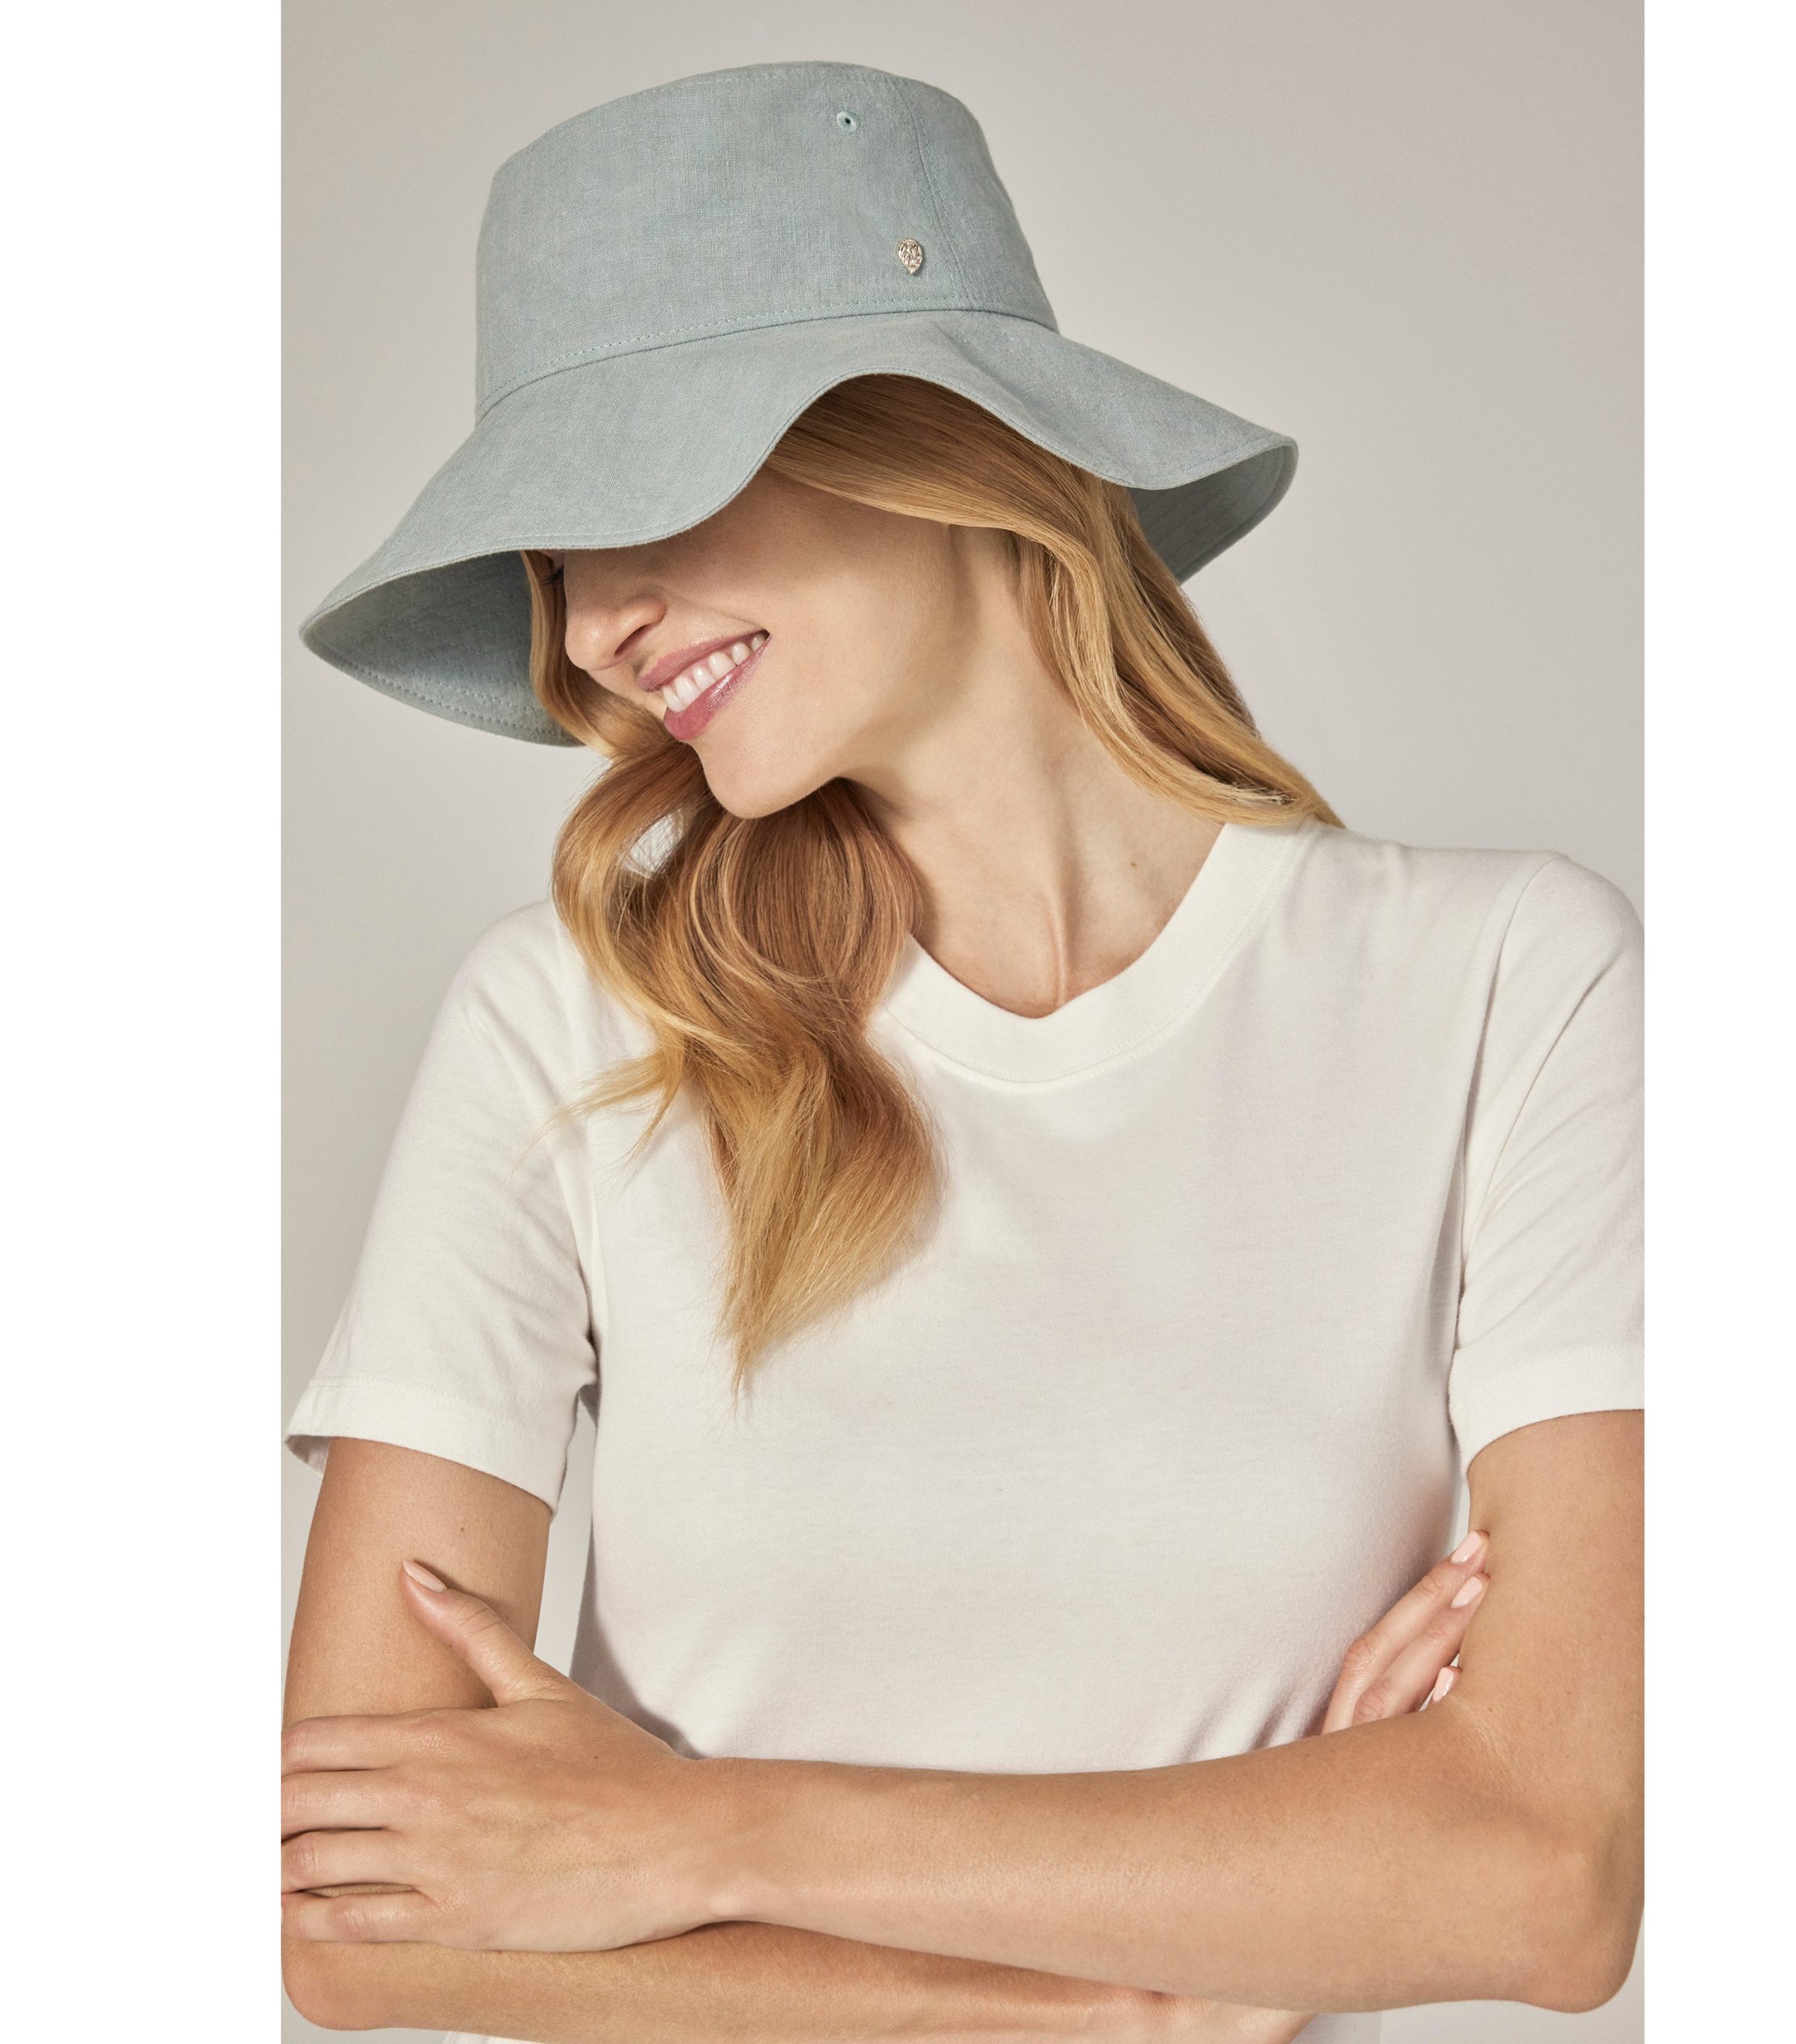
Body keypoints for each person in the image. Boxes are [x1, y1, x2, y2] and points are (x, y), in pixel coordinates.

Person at [280, 61, 1643, 2044]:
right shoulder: (570, 1022)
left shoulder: (1503, 983)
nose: (585, 632)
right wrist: (1130, 2004)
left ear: (944, 438)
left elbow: (1544, 1871)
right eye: (547, 565)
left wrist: (695, 1832)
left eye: (630, 494)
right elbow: (350, 1912)